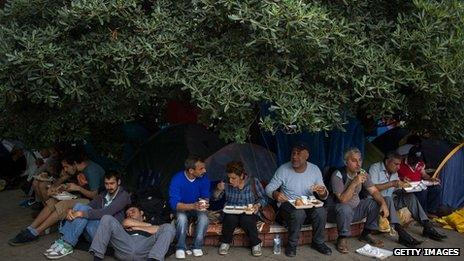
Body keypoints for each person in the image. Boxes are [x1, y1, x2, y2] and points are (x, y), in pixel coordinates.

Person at [8, 148, 105, 245]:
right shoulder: (77, 169)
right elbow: (74, 183)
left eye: (66, 167)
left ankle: (35, 233)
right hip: (84, 198)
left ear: (74, 164)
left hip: (96, 203)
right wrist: (65, 186)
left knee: (63, 205)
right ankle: (30, 228)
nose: (65, 169)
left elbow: (95, 195)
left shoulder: (92, 170)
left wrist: (78, 188)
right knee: (53, 201)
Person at [43, 171, 131, 259]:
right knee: (80, 206)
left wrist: (81, 213)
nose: (109, 187)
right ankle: (64, 241)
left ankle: (67, 243)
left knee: (83, 211)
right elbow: (88, 206)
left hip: (111, 237)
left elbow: (106, 212)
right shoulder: (104, 195)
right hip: (97, 232)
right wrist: (73, 211)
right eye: (106, 184)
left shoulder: (123, 196)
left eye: (112, 183)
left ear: (118, 182)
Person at [265, 142, 332, 257]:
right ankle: (292, 245)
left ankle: (318, 242)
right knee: (298, 213)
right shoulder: (284, 169)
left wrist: (322, 192)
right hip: (288, 205)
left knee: (321, 211)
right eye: (293, 153)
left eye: (299, 154)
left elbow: (324, 194)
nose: (295, 157)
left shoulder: (314, 169)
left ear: (306, 156)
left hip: (308, 204)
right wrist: (275, 194)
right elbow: (268, 188)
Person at [369, 151, 447, 247]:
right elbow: (372, 188)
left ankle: (427, 227)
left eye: (399, 164)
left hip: (389, 200)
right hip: (376, 202)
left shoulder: (394, 172)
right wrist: (392, 183)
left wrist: (403, 184)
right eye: (396, 164)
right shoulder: (375, 168)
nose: (398, 167)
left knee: (409, 197)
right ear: (387, 162)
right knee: (387, 199)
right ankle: (401, 233)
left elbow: (395, 189)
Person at [328, 148, 389, 254]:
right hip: (336, 213)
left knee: (375, 202)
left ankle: (366, 234)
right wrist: (355, 182)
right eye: (354, 160)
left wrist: (383, 204)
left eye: (360, 160)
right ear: (346, 162)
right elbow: (343, 200)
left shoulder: (362, 173)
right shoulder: (337, 175)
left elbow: (374, 191)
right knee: (345, 208)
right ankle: (342, 238)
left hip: (355, 211)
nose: (358, 164)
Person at [212, 161, 267, 256]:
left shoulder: (253, 181)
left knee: (246, 219)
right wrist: (218, 189)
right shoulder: (225, 182)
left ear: (241, 176)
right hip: (230, 211)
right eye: (229, 177)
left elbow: (264, 198)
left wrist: (257, 205)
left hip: (249, 212)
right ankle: (225, 242)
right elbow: (215, 198)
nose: (230, 181)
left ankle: (255, 244)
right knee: (230, 218)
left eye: (233, 178)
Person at [89, 203, 176, 261]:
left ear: (141, 212)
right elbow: (126, 222)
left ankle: (153, 260)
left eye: (133, 211)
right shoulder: (127, 222)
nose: (130, 214)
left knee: (169, 227)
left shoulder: (151, 222)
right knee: (106, 218)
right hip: (125, 243)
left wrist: (138, 227)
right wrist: (149, 227)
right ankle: (97, 258)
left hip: (145, 247)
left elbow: (161, 229)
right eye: (127, 214)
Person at [169, 156, 210, 259]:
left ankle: (196, 246)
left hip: (197, 207)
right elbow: (174, 204)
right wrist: (192, 206)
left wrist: (205, 203)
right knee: (182, 219)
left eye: (204, 168)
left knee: (204, 218)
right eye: (201, 169)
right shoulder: (177, 179)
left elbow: (205, 195)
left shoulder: (204, 178)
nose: (204, 171)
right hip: (182, 208)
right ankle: (180, 247)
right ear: (191, 170)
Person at [398, 146, 442, 216]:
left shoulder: (420, 163)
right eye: (414, 160)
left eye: (417, 160)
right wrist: (402, 178)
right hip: (408, 187)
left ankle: (431, 210)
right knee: (423, 191)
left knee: (437, 187)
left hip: (418, 184)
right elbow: (394, 176)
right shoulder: (400, 163)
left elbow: (424, 175)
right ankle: (422, 213)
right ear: (409, 156)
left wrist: (431, 179)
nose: (416, 162)